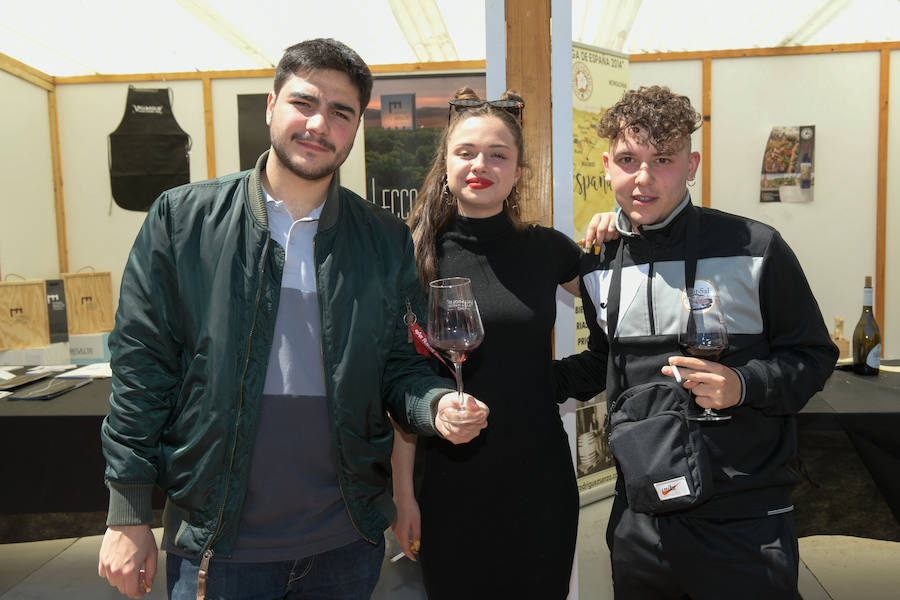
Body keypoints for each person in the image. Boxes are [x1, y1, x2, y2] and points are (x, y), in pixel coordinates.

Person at [97, 38, 488, 600]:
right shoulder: (183, 221)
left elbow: (401, 366)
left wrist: (434, 405)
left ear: (354, 130)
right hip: (220, 544)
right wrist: (127, 511)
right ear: (270, 108)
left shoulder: (382, 239)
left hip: (345, 544)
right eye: (304, 103)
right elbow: (141, 370)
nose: (318, 123)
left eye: (340, 112)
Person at [557, 85, 838, 599]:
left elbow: (814, 356)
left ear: (692, 164)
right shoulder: (599, 261)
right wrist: (515, 386)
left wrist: (743, 385)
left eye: (662, 159)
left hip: (744, 519)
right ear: (607, 165)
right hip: (641, 518)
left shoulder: (755, 247)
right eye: (628, 159)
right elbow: (605, 363)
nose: (643, 177)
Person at [389, 88, 589, 599]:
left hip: (538, 479)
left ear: (520, 173)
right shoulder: (412, 255)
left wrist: (552, 381)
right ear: (447, 164)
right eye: (467, 152)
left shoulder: (546, 249)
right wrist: (404, 495)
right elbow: (398, 384)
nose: (482, 164)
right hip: (448, 486)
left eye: (499, 155)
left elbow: (623, 322)